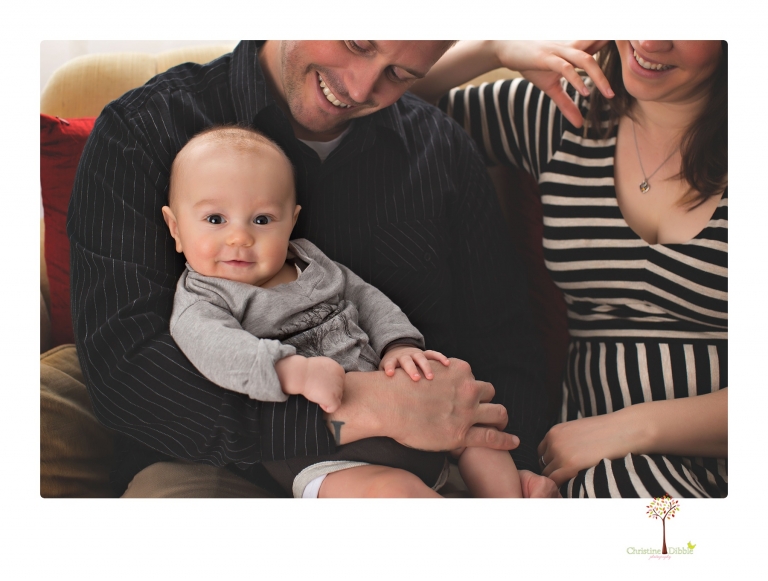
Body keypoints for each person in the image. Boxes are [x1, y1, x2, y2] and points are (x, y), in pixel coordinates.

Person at [68, 40, 557, 498]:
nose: (360, 89)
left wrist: (516, 458)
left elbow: (503, 341)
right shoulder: (143, 129)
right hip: (218, 464)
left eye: (400, 73)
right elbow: (126, 375)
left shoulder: (440, 150)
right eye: (357, 43)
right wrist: (355, 409)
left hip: (434, 439)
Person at [411, 40, 727, 498]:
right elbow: (386, 97)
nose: (652, 39)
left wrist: (632, 429)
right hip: (599, 468)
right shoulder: (560, 111)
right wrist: (495, 46)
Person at [162, 125, 523, 497]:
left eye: (262, 219)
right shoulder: (203, 300)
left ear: (291, 220)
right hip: (326, 452)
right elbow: (217, 350)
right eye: (215, 220)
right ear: (175, 228)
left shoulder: (311, 261)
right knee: (393, 491)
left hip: (413, 414)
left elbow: (366, 298)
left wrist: (397, 345)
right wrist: (292, 371)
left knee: (478, 431)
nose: (239, 237)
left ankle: (510, 497)